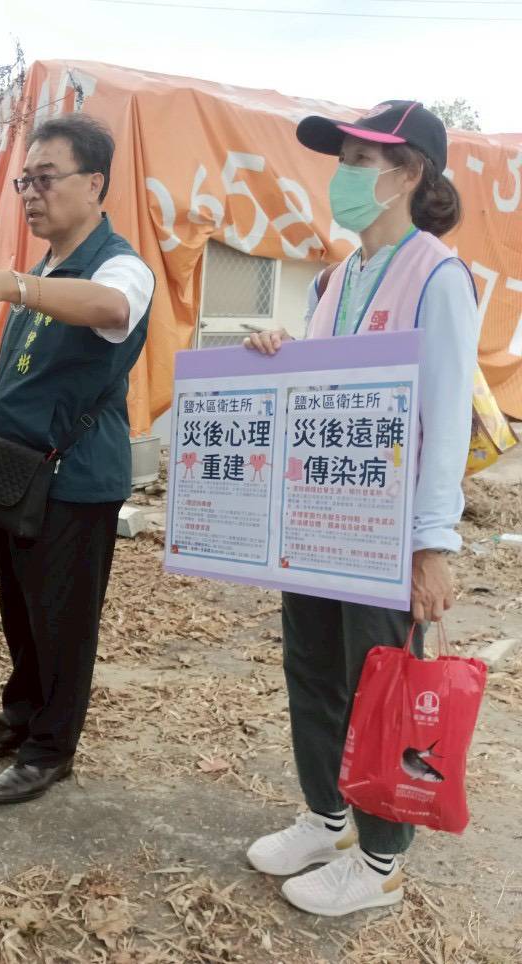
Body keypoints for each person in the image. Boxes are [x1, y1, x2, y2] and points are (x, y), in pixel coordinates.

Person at [243, 101, 479, 918]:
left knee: (376, 685)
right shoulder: (336, 276)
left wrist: (431, 544)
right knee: (311, 667)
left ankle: (379, 863)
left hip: (383, 528)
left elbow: (445, 418)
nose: (342, 175)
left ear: (408, 172)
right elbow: (324, 388)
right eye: (341, 158)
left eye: (357, 159)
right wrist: (280, 352)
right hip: (315, 517)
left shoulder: (437, 274)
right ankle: (327, 817)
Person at [0, 114, 155, 804]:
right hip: (16, 472)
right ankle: (19, 717)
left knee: (62, 618)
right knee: (23, 608)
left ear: (94, 183)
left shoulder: (119, 264)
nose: (30, 192)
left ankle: (51, 748)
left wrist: (11, 286)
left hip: (75, 479)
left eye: (46, 177)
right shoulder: (46, 266)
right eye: (25, 180)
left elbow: (111, 307)